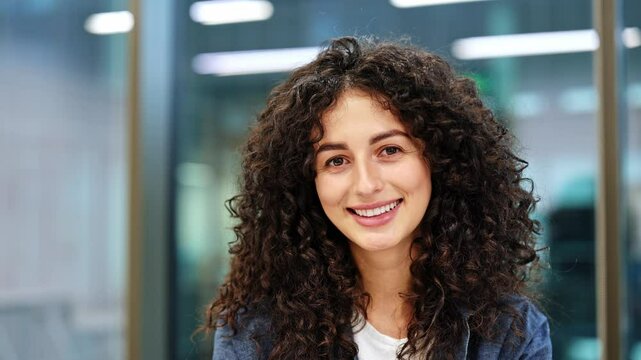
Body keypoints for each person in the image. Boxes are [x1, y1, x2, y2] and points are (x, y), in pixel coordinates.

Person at [204, 36, 552, 360]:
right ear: (306, 182)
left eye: (389, 150)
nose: (366, 184)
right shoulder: (255, 331)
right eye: (336, 161)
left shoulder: (510, 330)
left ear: (441, 161)